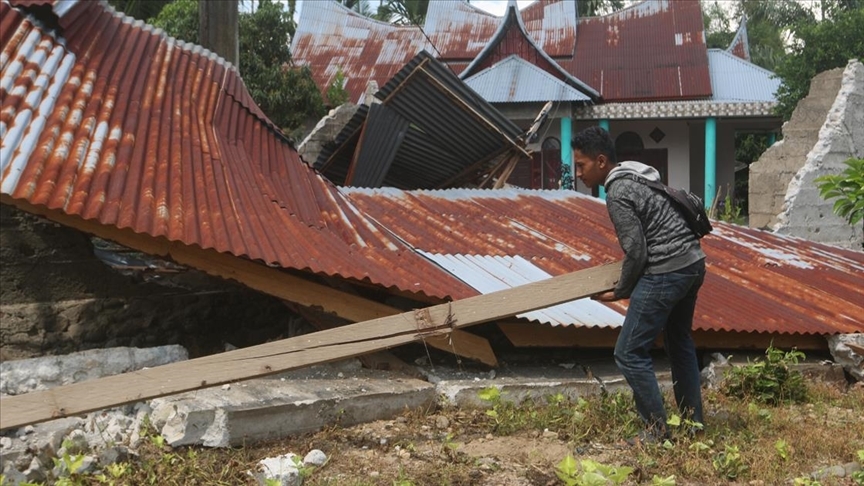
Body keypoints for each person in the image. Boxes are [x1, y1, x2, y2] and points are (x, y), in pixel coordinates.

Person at [571, 126, 706, 442]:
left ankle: (656, 432)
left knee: (629, 352)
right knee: (679, 342)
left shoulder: (617, 192)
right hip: (692, 262)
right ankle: (693, 424)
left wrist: (620, 291)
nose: (578, 173)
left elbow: (637, 250)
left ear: (601, 161)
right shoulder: (637, 177)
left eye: (582, 165)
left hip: (667, 269)